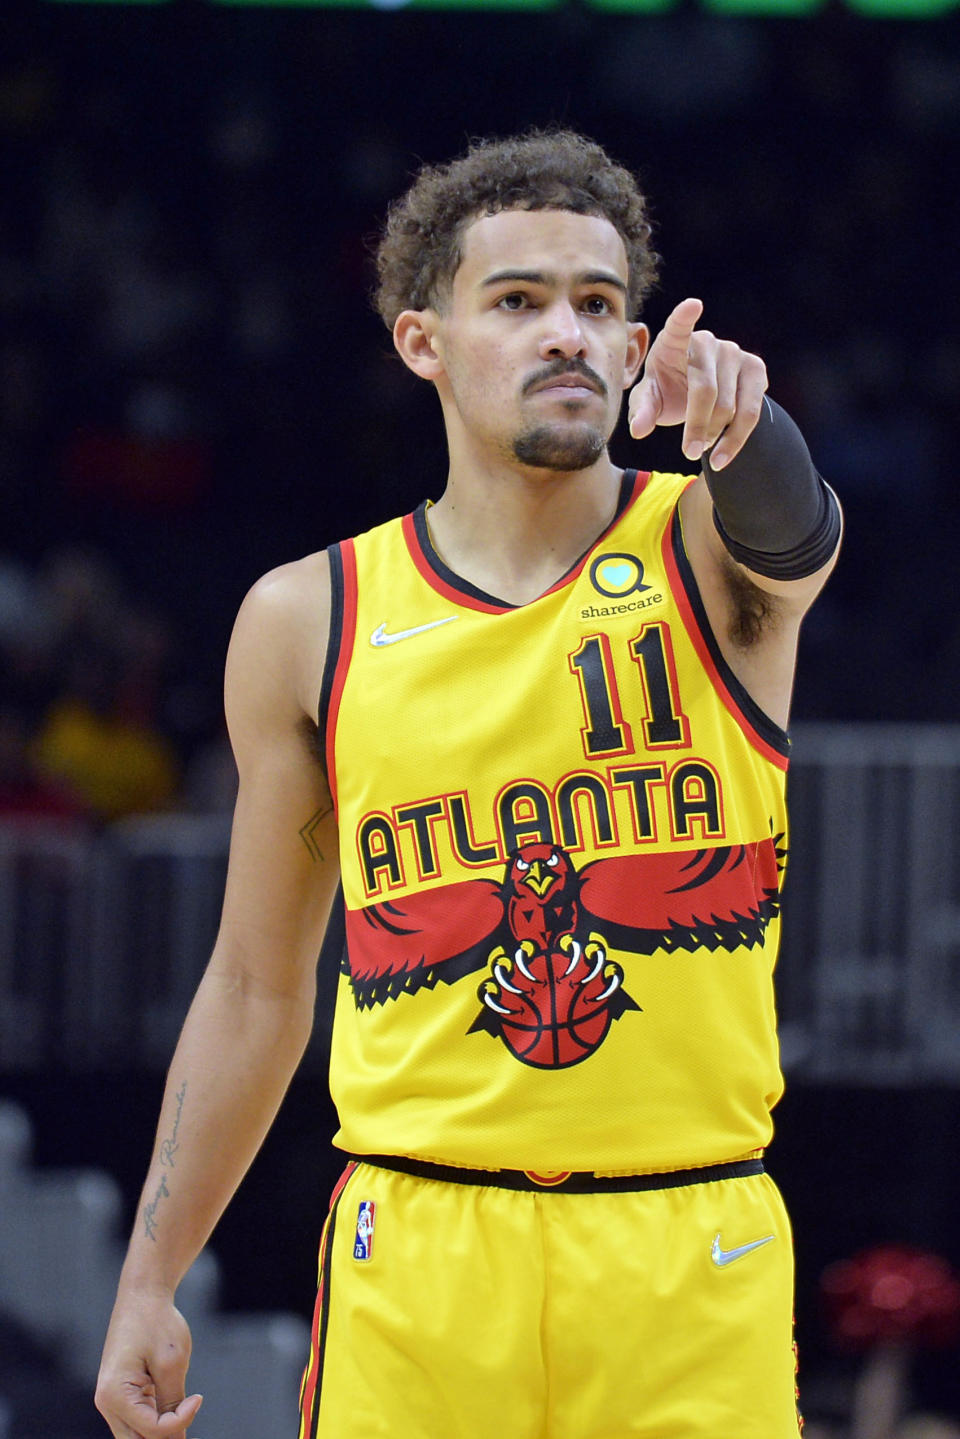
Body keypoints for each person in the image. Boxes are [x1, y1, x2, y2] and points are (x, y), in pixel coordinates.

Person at [95, 129, 841, 1438]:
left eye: (599, 306)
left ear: (632, 348)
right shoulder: (308, 615)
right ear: (421, 341)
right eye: (519, 301)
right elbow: (261, 987)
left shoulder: (712, 548)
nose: (567, 332)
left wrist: (748, 419)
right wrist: (149, 1275)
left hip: (688, 1244)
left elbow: (799, 525)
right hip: (421, 1246)